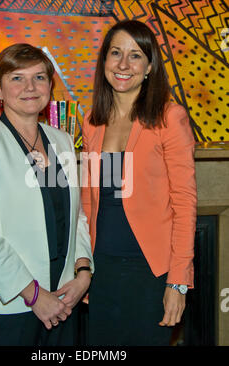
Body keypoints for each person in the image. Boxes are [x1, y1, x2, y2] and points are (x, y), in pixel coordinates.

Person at [0, 43, 93, 346]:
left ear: (49, 86)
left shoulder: (62, 140)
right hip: (10, 307)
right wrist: (35, 295)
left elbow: (76, 217)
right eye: (17, 78)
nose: (30, 87)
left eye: (39, 77)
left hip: (64, 301)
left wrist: (83, 273)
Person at [81, 20, 197, 346]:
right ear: (104, 61)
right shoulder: (92, 122)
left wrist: (178, 283)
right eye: (116, 53)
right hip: (102, 268)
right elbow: (92, 201)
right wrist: (84, 268)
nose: (123, 64)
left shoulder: (169, 117)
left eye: (135, 56)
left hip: (151, 272)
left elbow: (185, 205)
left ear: (149, 67)